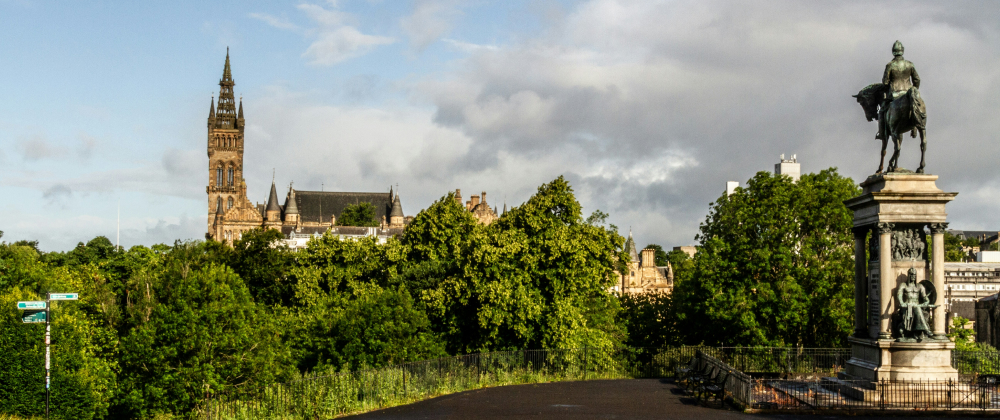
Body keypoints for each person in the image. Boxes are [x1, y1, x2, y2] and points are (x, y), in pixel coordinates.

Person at [877, 41, 921, 141]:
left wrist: (885, 87)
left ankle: (881, 133)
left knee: (882, 111)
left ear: (893, 52)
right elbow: (917, 80)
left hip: (895, 93)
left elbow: (885, 83)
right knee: (916, 106)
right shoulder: (910, 64)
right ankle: (915, 125)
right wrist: (914, 90)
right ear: (902, 51)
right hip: (908, 93)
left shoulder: (890, 65)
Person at [896, 268, 935, 341]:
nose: (913, 276)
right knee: (916, 307)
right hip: (907, 307)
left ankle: (919, 332)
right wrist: (901, 303)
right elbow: (899, 294)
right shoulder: (903, 285)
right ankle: (925, 330)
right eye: (911, 275)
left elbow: (926, 299)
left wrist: (925, 303)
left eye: (914, 275)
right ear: (908, 275)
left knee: (917, 307)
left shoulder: (920, 286)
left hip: (918, 306)